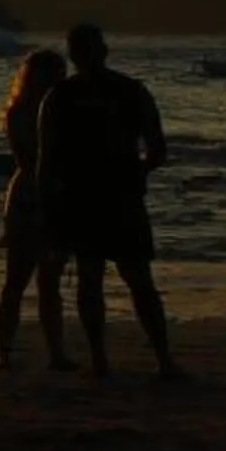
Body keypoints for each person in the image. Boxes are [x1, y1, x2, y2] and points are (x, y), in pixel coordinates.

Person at [36, 22, 183, 379]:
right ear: (103, 51)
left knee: (96, 280)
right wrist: (136, 172)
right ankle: (160, 360)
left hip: (86, 198)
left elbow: (47, 162)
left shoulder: (61, 96)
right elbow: (157, 149)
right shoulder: (126, 91)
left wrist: (48, 207)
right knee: (135, 280)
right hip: (113, 198)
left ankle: (103, 359)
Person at [0, 45, 74, 374]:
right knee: (17, 279)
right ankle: (4, 351)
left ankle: (56, 353)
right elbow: (29, 157)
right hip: (29, 196)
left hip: (56, 194)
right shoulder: (21, 112)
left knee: (50, 282)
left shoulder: (63, 110)